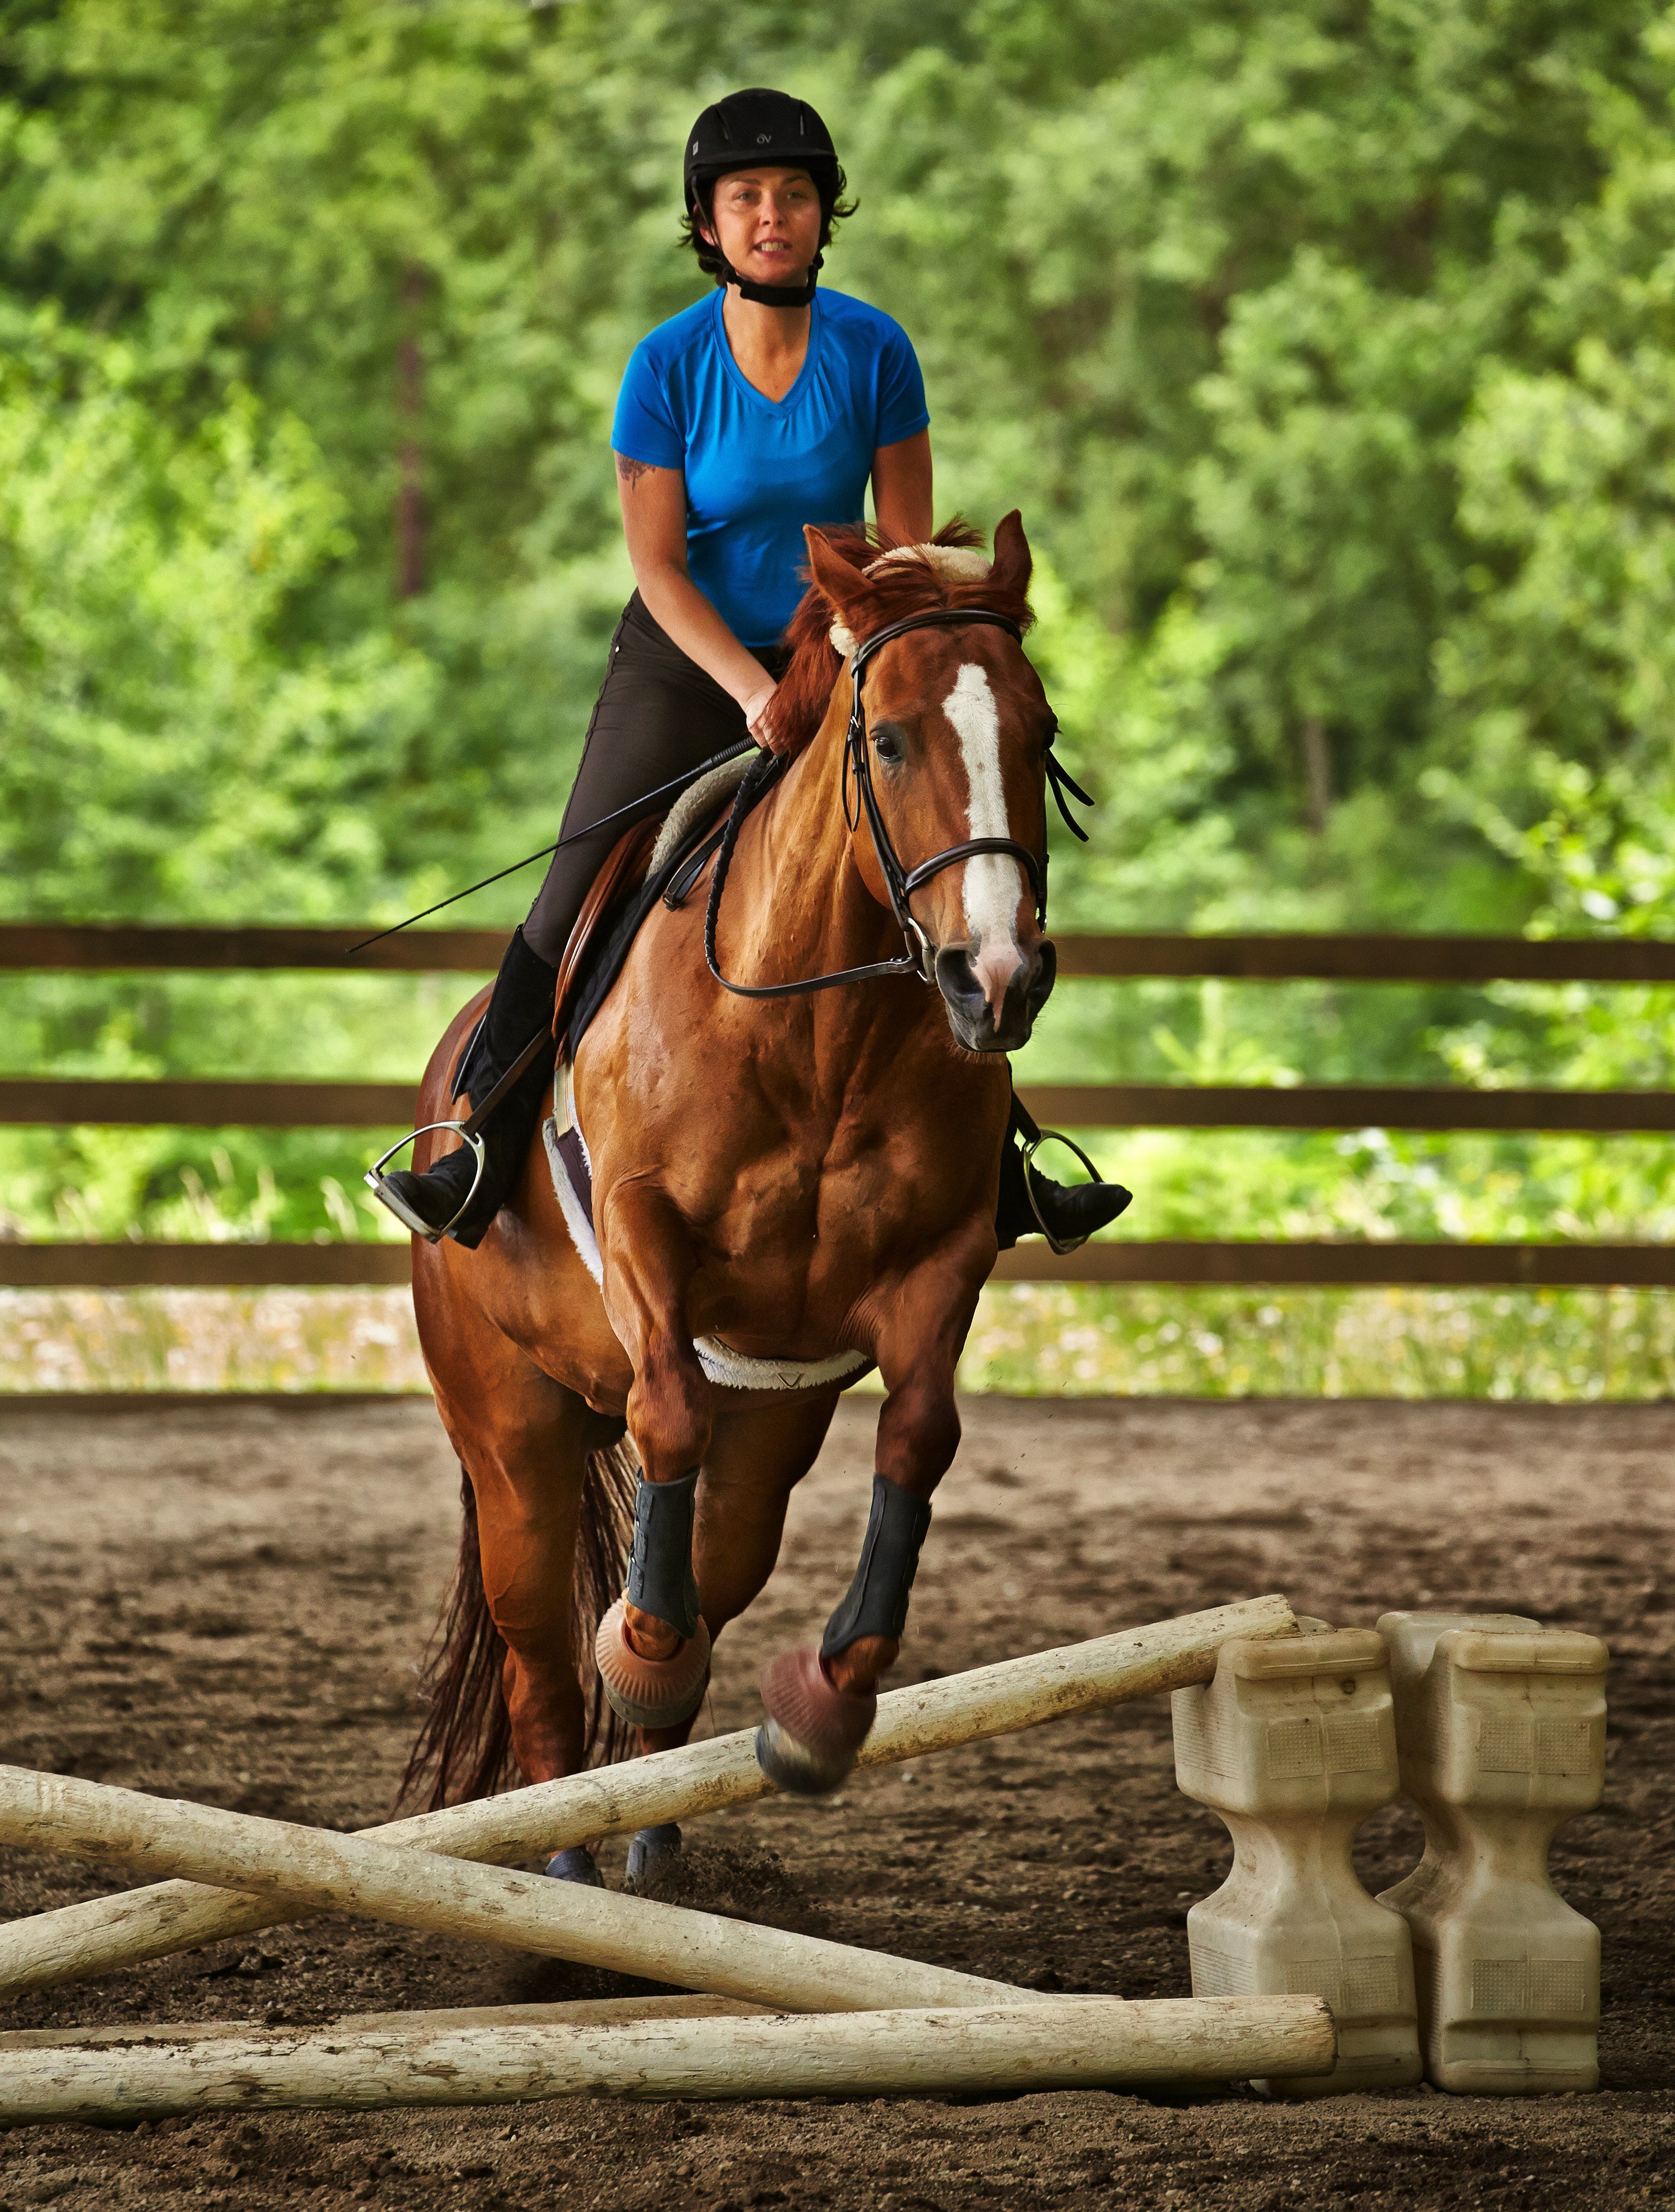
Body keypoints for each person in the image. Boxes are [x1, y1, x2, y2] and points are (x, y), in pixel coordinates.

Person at [372, 87, 1128, 1254]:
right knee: (576, 882)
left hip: (843, 652)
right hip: (687, 661)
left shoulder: (877, 351)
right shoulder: (664, 368)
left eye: (794, 195)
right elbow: (661, 567)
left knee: (923, 878)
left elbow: (904, 554)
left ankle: (1009, 1153)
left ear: (826, 215)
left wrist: (847, 668)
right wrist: (751, 695)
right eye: (747, 198)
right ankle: (477, 1140)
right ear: (709, 223)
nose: (773, 214)